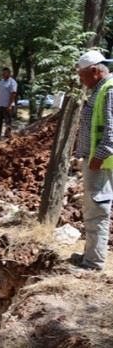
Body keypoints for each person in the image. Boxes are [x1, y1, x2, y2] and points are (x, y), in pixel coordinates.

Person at [71, 50, 113, 272]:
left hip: (102, 162)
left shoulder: (109, 90)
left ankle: (93, 264)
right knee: (92, 210)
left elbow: (111, 131)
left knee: (97, 210)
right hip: (96, 161)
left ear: (95, 71)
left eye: (82, 77)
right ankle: (90, 255)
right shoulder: (101, 89)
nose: (82, 82)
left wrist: (97, 158)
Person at [0, 67, 17, 139]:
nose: (3, 75)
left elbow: (13, 94)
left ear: (9, 73)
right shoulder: (1, 81)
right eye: (2, 74)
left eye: (4, 73)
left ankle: (7, 136)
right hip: (0, 105)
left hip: (7, 105)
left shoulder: (12, 82)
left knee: (7, 121)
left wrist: (9, 105)